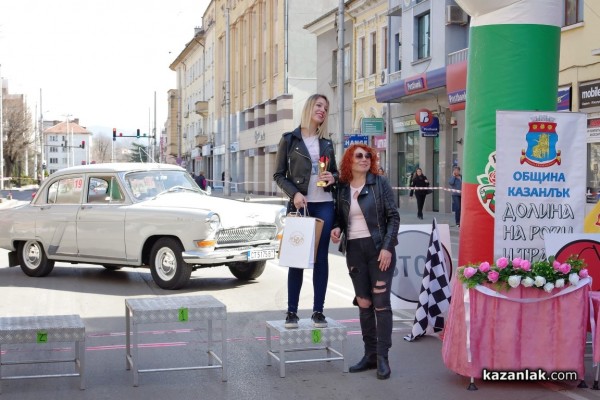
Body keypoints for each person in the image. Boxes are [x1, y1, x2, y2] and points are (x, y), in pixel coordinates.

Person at [330, 144, 400, 380]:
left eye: (368, 156)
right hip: (355, 250)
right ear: (349, 161)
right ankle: (369, 355)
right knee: (364, 302)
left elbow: (393, 217)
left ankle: (383, 357)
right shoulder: (342, 188)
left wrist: (388, 247)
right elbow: (339, 217)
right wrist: (337, 228)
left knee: (381, 303)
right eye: (359, 156)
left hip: (379, 249)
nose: (364, 159)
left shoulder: (379, 183)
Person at [273, 94, 338, 329]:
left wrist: (333, 177)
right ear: (309, 107)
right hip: (302, 205)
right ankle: (291, 312)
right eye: (319, 105)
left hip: (325, 204)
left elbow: (337, 174)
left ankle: (318, 311)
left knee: (321, 258)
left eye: (326, 108)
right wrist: (295, 194)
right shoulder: (290, 139)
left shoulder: (327, 143)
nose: (322, 110)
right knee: (297, 258)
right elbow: (278, 175)